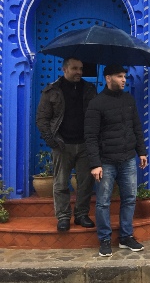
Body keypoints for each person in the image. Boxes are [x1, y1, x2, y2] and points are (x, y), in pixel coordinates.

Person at [85, 65, 148, 257]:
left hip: (128, 158)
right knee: (103, 202)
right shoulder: (97, 103)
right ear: (108, 78)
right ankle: (104, 239)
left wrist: (141, 152)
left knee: (129, 199)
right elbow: (91, 136)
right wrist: (95, 164)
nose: (123, 80)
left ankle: (126, 237)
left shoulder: (129, 100)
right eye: (119, 76)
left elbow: (136, 127)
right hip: (106, 162)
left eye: (125, 77)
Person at [36, 57, 97, 232]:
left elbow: (96, 115)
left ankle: (81, 215)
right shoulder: (52, 91)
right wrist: (52, 141)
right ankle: (63, 217)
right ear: (64, 69)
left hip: (85, 144)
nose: (79, 72)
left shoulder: (89, 89)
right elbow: (42, 119)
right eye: (75, 68)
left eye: (81, 68)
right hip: (62, 144)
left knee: (85, 182)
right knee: (61, 183)